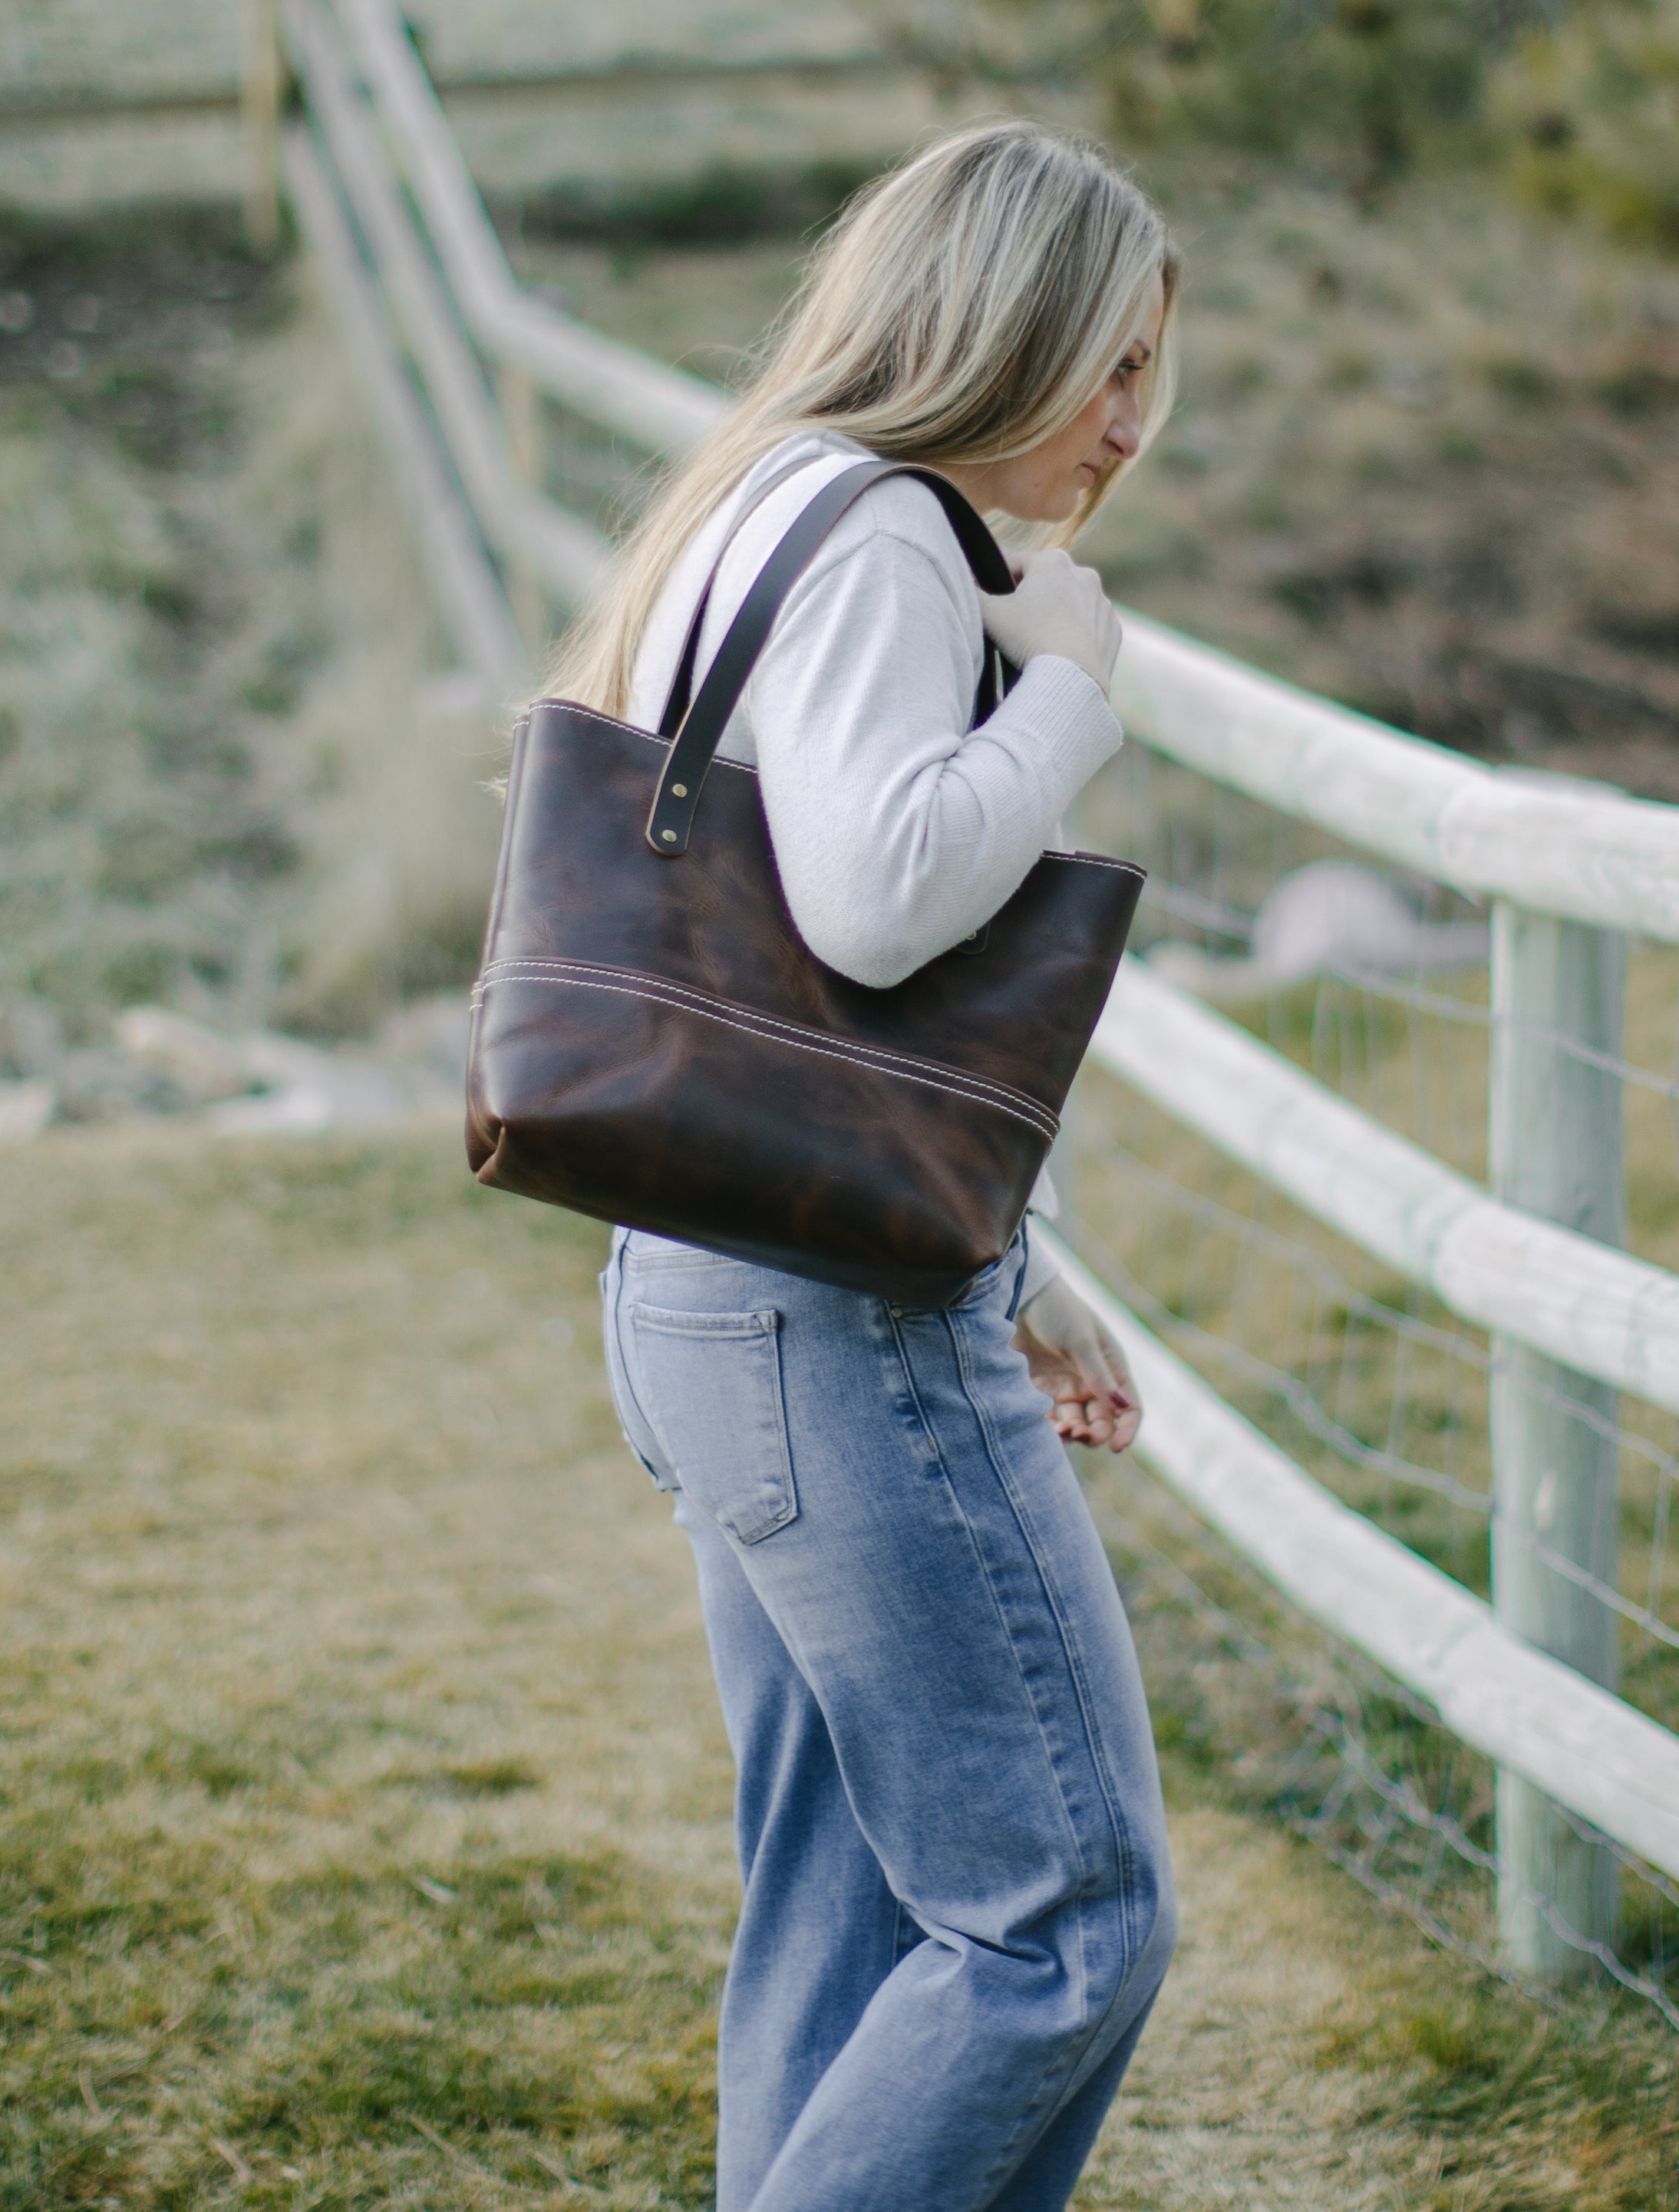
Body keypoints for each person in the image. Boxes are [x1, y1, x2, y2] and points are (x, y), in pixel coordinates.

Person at [553, 120, 1181, 2212]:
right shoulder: (891, 537)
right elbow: (882, 894)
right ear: (992, 324)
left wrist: (1016, 1250)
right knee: (1059, 1927)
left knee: (840, 1914)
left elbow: (814, 989)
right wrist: (1075, 692)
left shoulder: (757, 513)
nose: (1125, 419)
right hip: (832, 1326)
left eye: (1143, 370)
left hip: (717, 1275)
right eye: (1106, 356)